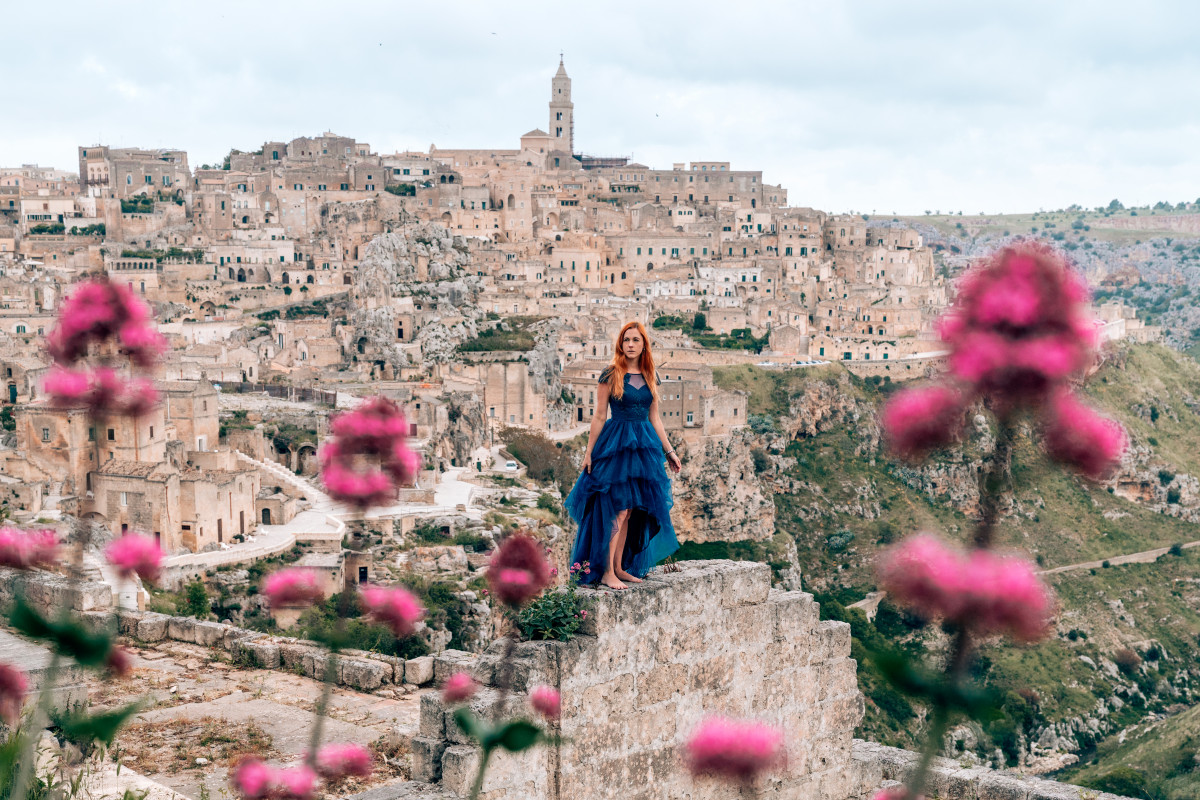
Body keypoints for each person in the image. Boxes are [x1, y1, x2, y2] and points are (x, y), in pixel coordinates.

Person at [565, 321, 681, 590]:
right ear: (621, 343)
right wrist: (589, 453)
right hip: (616, 445)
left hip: (643, 448)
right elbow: (598, 416)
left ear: (643, 345)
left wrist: (670, 451)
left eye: (635, 340)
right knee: (617, 510)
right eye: (626, 339)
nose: (630, 344)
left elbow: (655, 418)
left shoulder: (651, 375)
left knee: (630, 511)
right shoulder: (610, 374)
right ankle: (606, 572)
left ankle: (618, 568)